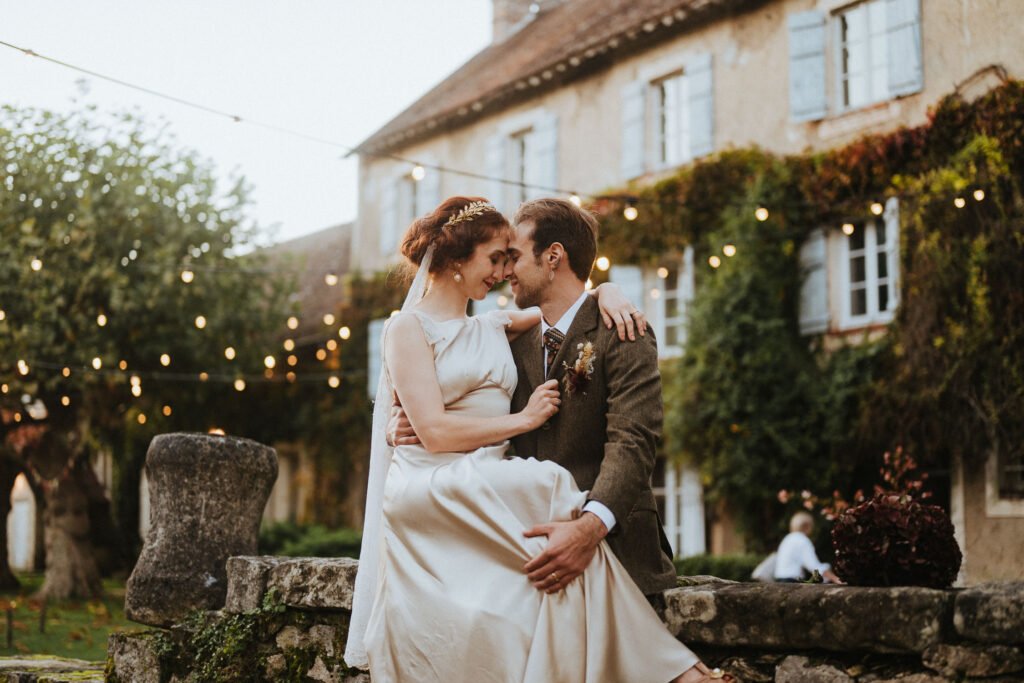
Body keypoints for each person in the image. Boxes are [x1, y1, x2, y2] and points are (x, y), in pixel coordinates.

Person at [344, 196, 731, 682]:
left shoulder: (618, 329)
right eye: (497, 258)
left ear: (553, 258)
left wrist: (588, 529)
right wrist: (409, 427)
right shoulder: (511, 339)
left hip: (608, 542)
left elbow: (634, 443)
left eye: (514, 257)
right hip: (509, 543)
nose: (505, 271)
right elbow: (442, 416)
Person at [773, 511, 843, 583]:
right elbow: (813, 567)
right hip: (791, 581)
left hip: (780, 579)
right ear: (806, 526)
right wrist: (834, 578)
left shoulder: (788, 538)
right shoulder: (802, 540)